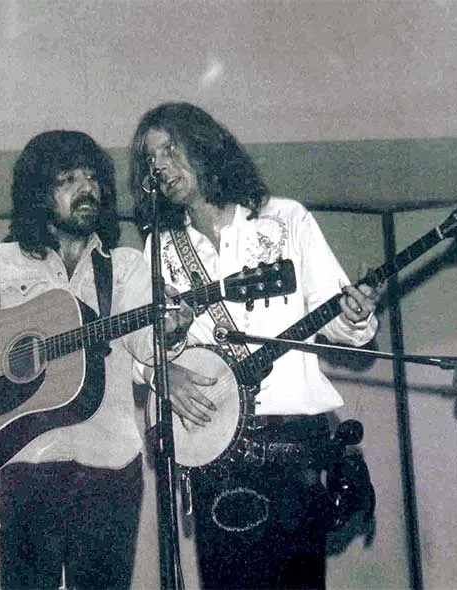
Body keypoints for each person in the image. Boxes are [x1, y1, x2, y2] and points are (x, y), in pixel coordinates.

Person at [0, 130, 191, 590]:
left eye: (92, 178)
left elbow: (146, 349)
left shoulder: (128, 267)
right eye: (68, 179)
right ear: (39, 194)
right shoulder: (1, 263)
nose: (86, 188)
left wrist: (172, 329)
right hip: (29, 468)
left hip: (110, 469)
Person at [129, 102, 381, 589]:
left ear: (204, 147)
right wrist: (166, 359)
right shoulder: (158, 246)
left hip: (297, 443)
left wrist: (356, 314)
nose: (159, 165)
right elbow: (144, 349)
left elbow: (347, 328)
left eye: (170, 149)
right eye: (150, 159)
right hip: (218, 452)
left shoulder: (285, 219)